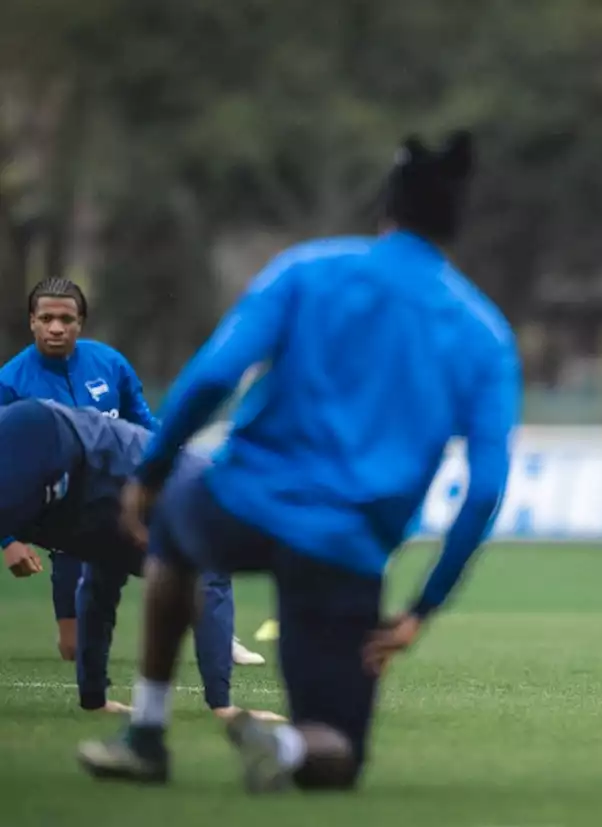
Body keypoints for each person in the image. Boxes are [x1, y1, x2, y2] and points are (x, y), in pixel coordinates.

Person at [77, 130, 521, 792]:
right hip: (346, 547)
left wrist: (151, 474)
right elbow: (484, 490)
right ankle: (288, 745)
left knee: (173, 526)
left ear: (387, 210)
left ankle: (147, 730)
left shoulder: (308, 270)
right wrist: (422, 607)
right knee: (337, 750)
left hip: (242, 499)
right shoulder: (483, 332)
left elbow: (212, 377)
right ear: (456, 223)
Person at [0, 278, 264, 710]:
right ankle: (218, 685)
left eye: (66, 319)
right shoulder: (12, 380)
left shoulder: (109, 364)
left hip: (75, 505)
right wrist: (9, 540)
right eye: (45, 318)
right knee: (198, 573)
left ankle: (102, 695)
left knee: (96, 597)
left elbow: (146, 424)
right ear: (32, 322)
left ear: (81, 323)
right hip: (61, 466)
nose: (55, 328)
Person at [0, 398, 277, 723]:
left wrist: (94, 698)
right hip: (51, 436)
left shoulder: (131, 535)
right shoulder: (201, 494)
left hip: (56, 464)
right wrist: (222, 705)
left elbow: (96, 595)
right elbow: (214, 583)